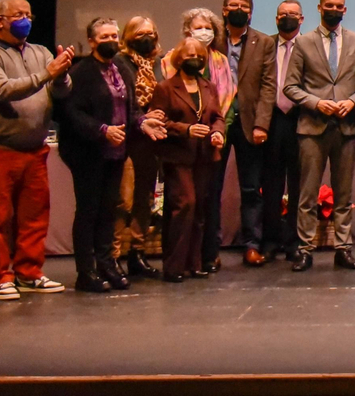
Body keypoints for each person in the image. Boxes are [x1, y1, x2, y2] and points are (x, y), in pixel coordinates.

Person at [0, 0, 71, 300]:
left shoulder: (41, 52)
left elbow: (61, 92)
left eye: (28, 14)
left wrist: (62, 75)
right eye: (18, 15)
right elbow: (3, 90)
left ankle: (29, 273)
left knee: (35, 217)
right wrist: (48, 73)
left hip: (35, 149)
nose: (25, 20)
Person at [54, 18, 165, 292]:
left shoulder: (122, 69)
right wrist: (103, 130)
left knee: (108, 211)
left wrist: (142, 122)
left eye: (114, 36)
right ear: (91, 41)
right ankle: (86, 271)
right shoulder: (81, 73)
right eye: (104, 37)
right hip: (88, 153)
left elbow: (131, 108)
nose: (111, 41)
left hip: (116, 153)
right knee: (88, 212)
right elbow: (72, 113)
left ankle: (107, 264)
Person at [283, 0, 355, 272]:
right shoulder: (303, 43)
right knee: (307, 195)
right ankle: (305, 249)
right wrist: (317, 103)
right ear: (319, 8)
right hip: (312, 127)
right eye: (328, 5)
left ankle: (343, 249)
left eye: (338, 6)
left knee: (344, 195)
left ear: (345, 9)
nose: (334, 10)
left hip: (346, 127)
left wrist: (353, 101)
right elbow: (290, 86)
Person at [150, 35, 227, 282]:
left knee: (200, 209)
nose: (194, 59)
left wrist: (217, 133)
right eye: (189, 56)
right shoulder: (165, 88)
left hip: (204, 155)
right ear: (179, 59)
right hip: (178, 156)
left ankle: (194, 263)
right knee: (185, 205)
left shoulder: (208, 86)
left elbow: (217, 117)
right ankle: (174, 266)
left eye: (198, 56)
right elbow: (158, 120)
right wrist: (186, 130)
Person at [215, 0, 277, 268]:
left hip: (250, 123)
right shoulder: (213, 40)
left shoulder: (263, 42)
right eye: (233, 5)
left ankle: (252, 245)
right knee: (212, 186)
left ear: (250, 12)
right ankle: (211, 248)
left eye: (243, 6)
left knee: (251, 188)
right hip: (217, 122)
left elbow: (268, 86)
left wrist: (262, 124)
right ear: (224, 10)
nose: (238, 9)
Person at [178, 7, 237, 273]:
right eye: (198, 27)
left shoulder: (221, 61)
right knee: (183, 200)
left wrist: (217, 130)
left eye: (208, 28)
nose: (203, 32)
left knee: (210, 198)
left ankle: (208, 255)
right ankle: (182, 257)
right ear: (187, 31)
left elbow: (226, 101)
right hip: (183, 140)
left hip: (213, 139)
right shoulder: (173, 59)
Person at [117, 16, 165, 280]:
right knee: (122, 199)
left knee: (144, 198)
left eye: (150, 33)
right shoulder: (119, 63)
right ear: (128, 36)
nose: (146, 38)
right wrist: (141, 119)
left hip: (150, 140)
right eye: (139, 33)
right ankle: (113, 256)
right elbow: (120, 101)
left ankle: (137, 252)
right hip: (125, 138)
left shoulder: (158, 64)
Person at [259, 0, 306, 263]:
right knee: (271, 184)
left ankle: (294, 242)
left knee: (299, 185)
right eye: (282, 14)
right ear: (276, 19)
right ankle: (270, 241)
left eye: (293, 14)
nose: (287, 17)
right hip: (271, 119)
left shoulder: (309, 46)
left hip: (301, 119)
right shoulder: (265, 45)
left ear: (302, 19)